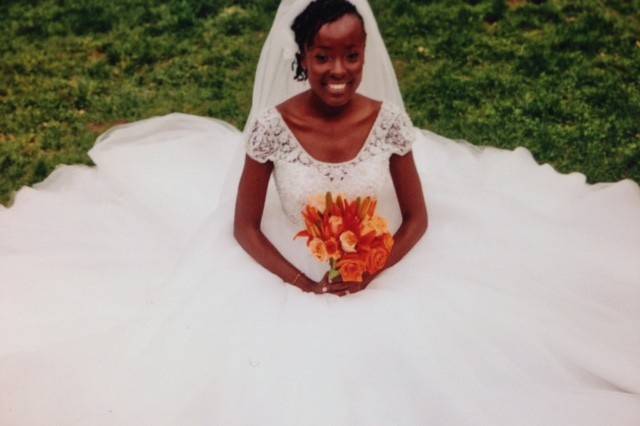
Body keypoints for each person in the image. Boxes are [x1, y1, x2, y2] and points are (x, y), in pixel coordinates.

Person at [1, 0, 639, 425]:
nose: (339, 71)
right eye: (324, 57)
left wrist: (374, 267)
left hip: (379, 269)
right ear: (300, 58)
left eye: (353, 55)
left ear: (366, 54)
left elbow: (417, 217)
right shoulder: (272, 129)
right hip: (288, 273)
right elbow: (244, 227)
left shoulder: (385, 122)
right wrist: (303, 283)